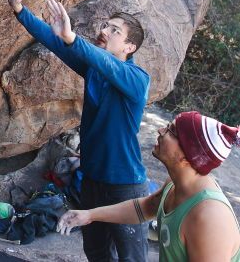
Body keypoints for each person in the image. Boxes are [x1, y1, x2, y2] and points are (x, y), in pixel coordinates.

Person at [4, 0, 150, 261]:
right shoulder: (95, 69)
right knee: (96, 252)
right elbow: (54, 40)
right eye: (106, 25)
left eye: (115, 30)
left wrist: (72, 38)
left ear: (129, 47)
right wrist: (20, 9)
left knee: (132, 257)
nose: (105, 30)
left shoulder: (137, 79)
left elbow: (100, 59)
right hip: (92, 180)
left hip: (125, 185)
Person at [58, 110, 240, 262]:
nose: (161, 130)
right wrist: (90, 215)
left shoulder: (209, 218)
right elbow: (144, 208)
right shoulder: (175, 185)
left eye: (172, 132)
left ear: (188, 157)